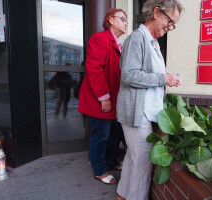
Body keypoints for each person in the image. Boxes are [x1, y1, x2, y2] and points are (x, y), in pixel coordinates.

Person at [116, 0, 183, 199]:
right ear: (156, 12)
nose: (170, 27)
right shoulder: (138, 39)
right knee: (143, 162)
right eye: (169, 21)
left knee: (133, 157)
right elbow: (129, 75)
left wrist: (167, 77)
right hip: (138, 112)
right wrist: (163, 78)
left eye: (173, 24)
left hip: (146, 111)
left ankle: (122, 195)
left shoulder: (153, 42)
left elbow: (148, 74)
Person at [78, 8, 128, 184]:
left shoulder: (118, 43)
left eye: (126, 20)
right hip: (100, 100)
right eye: (122, 19)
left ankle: (111, 162)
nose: (126, 23)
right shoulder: (99, 38)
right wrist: (103, 97)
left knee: (115, 133)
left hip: (114, 101)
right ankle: (99, 170)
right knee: (101, 135)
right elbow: (95, 70)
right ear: (110, 20)